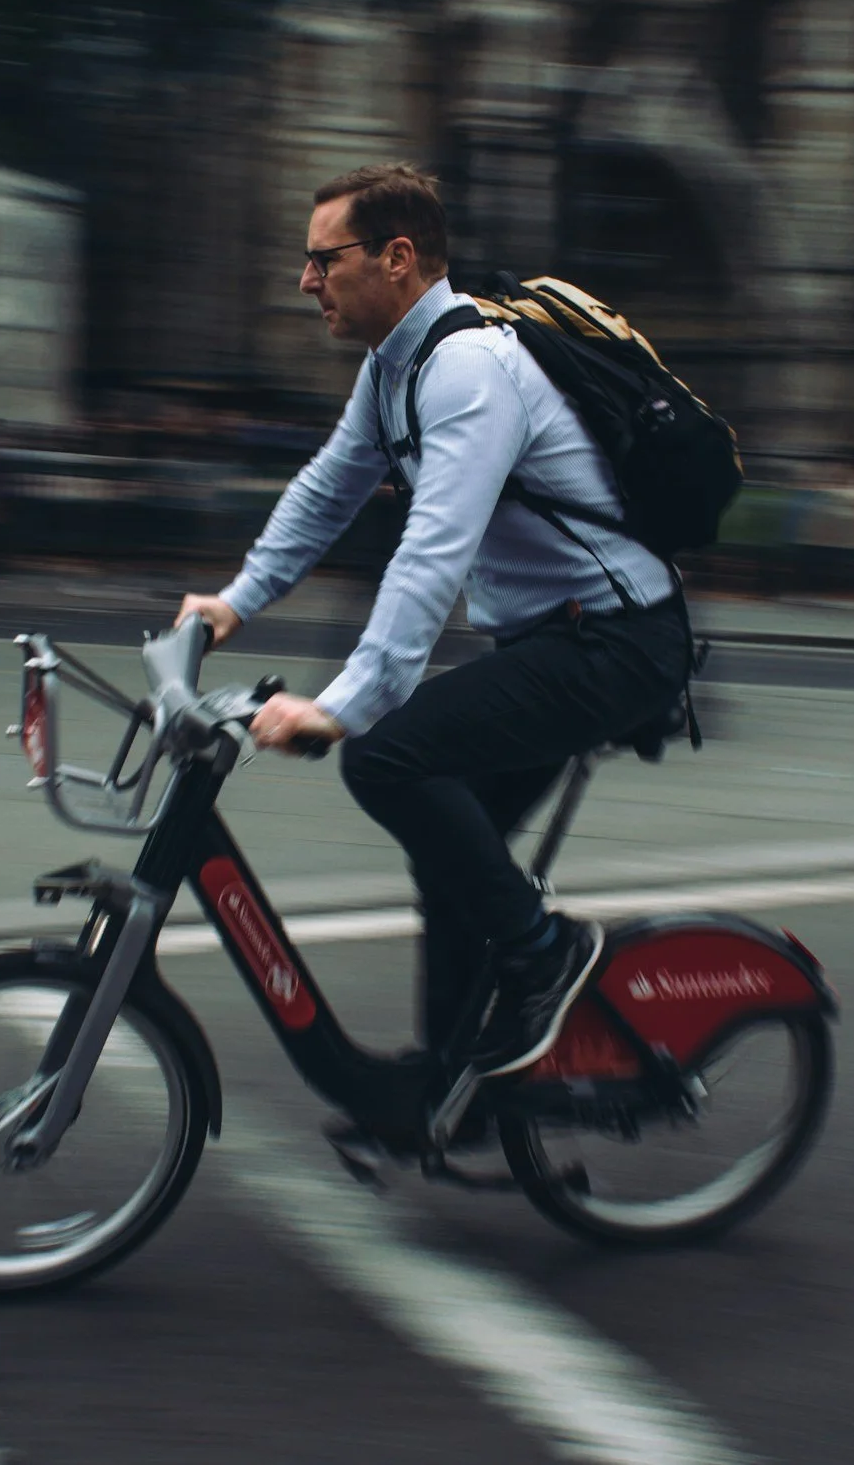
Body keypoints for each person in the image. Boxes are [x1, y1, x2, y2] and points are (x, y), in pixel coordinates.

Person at [175, 163, 692, 1091]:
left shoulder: (467, 369)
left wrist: (346, 704)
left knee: (385, 758)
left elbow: (432, 552)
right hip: (556, 640)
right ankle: (448, 1083)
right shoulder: (394, 369)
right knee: (453, 852)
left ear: (398, 258)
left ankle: (547, 953)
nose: (305, 281)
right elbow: (328, 489)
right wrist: (235, 599)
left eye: (321, 259)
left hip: (618, 640)